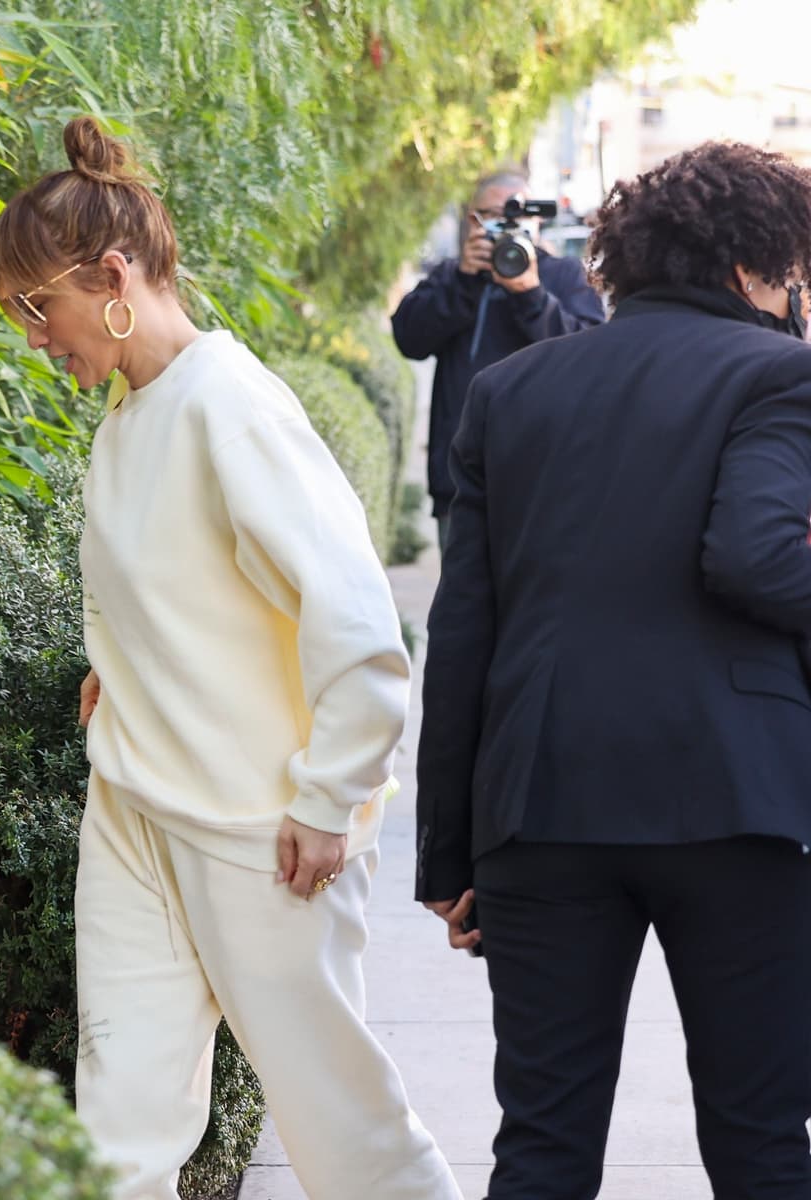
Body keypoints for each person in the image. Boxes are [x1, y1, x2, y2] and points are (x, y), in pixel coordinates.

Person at [0, 116, 460, 1200]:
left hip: (261, 831)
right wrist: (125, 665)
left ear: (113, 278)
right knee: (119, 1119)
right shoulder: (132, 410)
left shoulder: (230, 408)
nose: (33, 338)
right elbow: (178, 584)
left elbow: (357, 625)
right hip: (134, 807)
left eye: (35, 307)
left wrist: (329, 798)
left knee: (340, 1120)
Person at [415, 140, 811, 1198]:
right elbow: (756, 557)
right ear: (748, 267)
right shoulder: (782, 375)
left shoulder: (509, 390)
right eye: (792, 272)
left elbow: (464, 631)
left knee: (542, 1143)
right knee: (762, 1138)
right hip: (737, 805)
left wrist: (449, 851)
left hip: (542, 807)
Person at [391, 168, 605, 552]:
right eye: (491, 216)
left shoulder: (563, 277)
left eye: (516, 215)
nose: (506, 225)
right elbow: (410, 339)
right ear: (472, 221)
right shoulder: (453, 276)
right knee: (463, 588)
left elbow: (589, 358)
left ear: (536, 220)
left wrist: (531, 295)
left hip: (544, 484)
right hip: (460, 483)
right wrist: (463, 282)